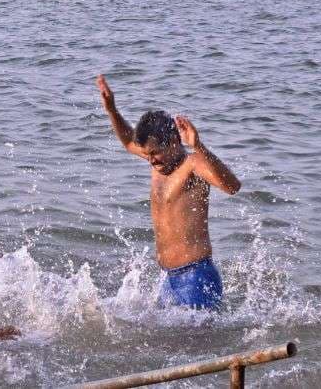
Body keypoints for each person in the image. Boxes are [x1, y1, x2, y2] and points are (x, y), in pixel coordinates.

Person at [95, 75, 241, 310]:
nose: (150, 160)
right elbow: (128, 142)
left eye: (155, 153)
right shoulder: (159, 163)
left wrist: (199, 146)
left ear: (173, 141)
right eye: (147, 154)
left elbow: (233, 187)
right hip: (168, 279)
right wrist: (112, 110)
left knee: (198, 343)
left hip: (196, 276)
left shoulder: (193, 165)